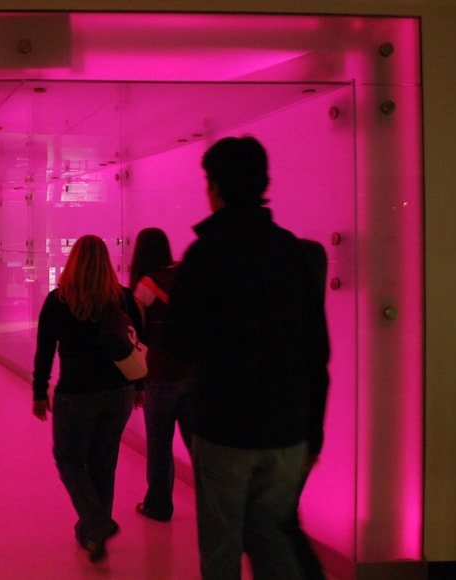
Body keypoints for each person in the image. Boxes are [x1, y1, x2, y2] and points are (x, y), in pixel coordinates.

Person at [165, 136, 330, 579]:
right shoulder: (293, 254)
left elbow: (180, 343)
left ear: (214, 186)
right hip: (288, 429)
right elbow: (318, 353)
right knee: (273, 540)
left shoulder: (205, 255)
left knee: (221, 547)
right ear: (262, 183)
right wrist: (313, 429)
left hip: (225, 427)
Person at [32, 234, 145, 563]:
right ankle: (94, 536)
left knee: (69, 460)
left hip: (77, 395)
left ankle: (95, 522)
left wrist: (40, 392)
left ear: (74, 261)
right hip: (119, 393)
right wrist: (139, 388)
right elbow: (137, 344)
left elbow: (45, 351)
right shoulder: (122, 298)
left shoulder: (59, 301)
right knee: (103, 462)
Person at [129, 227, 194, 523]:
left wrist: (136, 383)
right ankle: (216, 506)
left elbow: (137, 338)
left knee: (159, 443)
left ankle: (159, 506)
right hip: (194, 373)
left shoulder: (145, 285)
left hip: (160, 375)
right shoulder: (187, 274)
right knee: (199, 446)